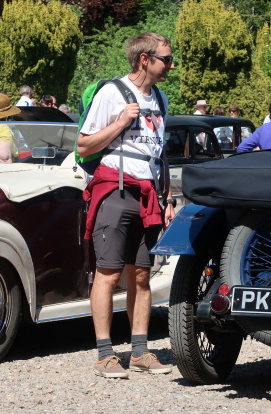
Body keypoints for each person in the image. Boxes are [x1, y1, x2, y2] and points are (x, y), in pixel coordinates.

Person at [76, 32, 175, 379]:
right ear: (144, 59)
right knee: (109, 273)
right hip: (115, 191)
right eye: (167, 58)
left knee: (143, 275)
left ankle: (139, 352)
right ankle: (105, 354)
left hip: (149, 196)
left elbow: (157, 156)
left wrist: (167, 198)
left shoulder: (160, 99)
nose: (171, 65)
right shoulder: (111, 93)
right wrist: (119, 122)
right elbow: (84, 145)